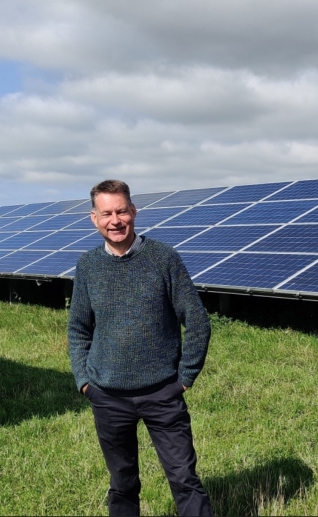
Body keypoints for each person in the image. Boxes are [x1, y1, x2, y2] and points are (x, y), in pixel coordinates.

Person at [68, 179, 214, 516]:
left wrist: (185, 377)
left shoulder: (164, 259)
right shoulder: (87, 266)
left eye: (121, 211)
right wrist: (85, 380)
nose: (115, 220)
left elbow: (197, 321)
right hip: (107, 396)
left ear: (133, 211)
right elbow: (78, 328)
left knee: (184, 479)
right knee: (122, 483)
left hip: (162, 393)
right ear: (94, 218)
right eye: (106, 213)